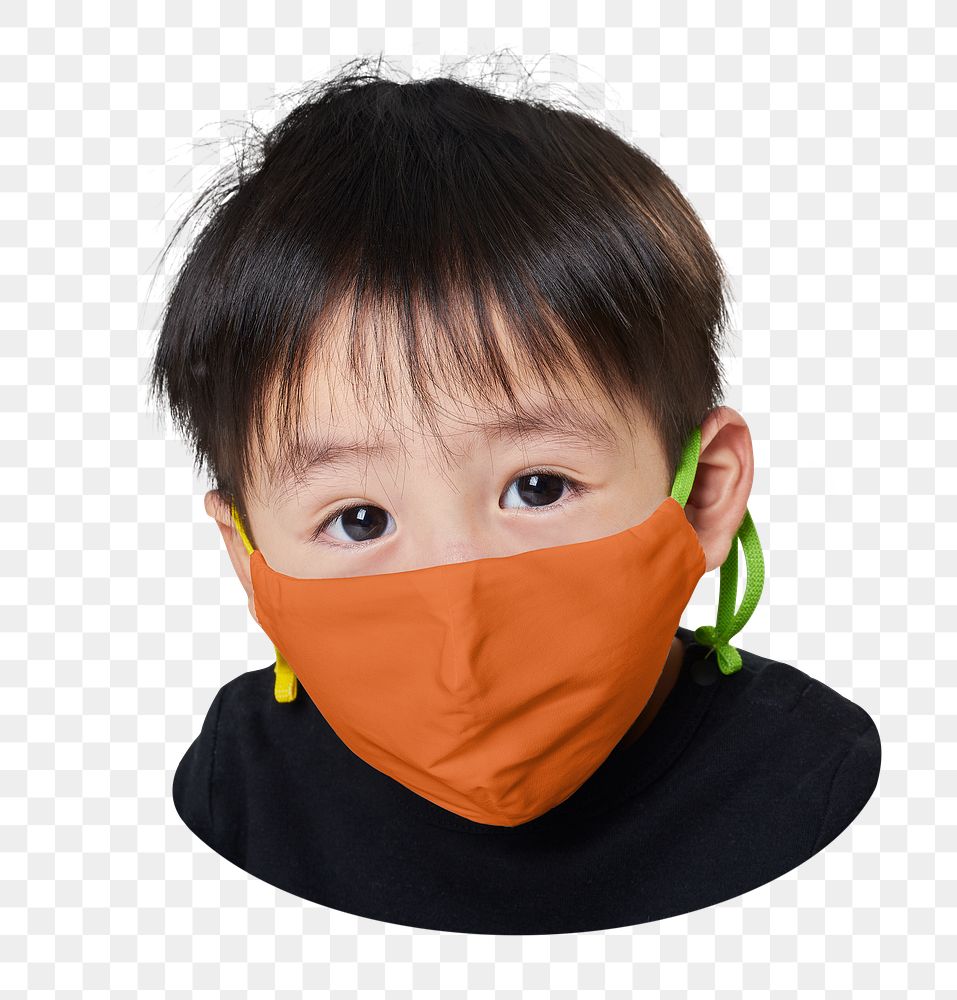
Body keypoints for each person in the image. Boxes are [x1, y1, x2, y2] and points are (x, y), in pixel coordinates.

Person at [151, 56, 880, 934]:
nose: (460, 594)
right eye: (359, 519)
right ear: (248, 555)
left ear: (703, 495)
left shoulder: (821, 778)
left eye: (537, 488)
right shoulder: (245, 780)